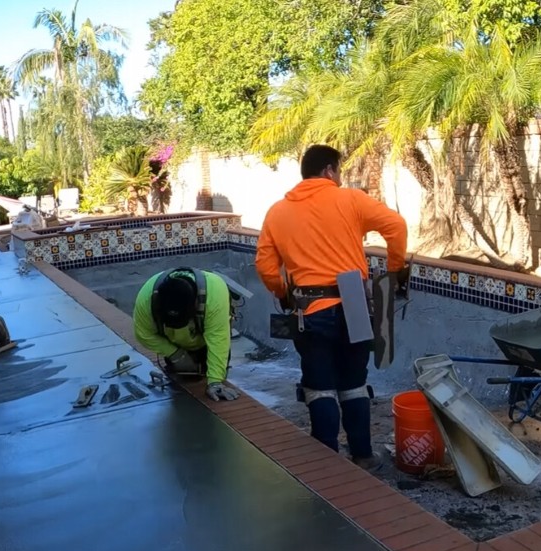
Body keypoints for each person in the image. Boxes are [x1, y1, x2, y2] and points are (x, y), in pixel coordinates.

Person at [255, 144, 409, 467]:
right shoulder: (350, 199)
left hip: (309, 309)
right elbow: (396, 227)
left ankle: (329, 465)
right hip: (354, 302)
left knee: (319, 387)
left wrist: (283, 293)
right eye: (338, 172)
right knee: (354, 383)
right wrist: (395, 272)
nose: (340, 179)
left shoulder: (277, 212)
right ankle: (363, 457)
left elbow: (266, 268)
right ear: (329, 170)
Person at [133, 267, 239, 401]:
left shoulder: (215, 296)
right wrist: (175, 354)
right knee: (184, 385)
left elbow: (218, 340)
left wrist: (215, 382)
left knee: (211, 383)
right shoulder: (147, 299)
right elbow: (143, 334)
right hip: (172, 343)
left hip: (205, 340)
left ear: (194, 306)